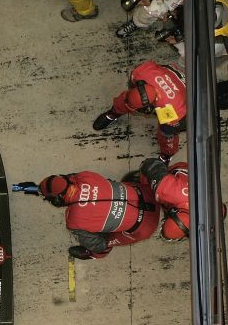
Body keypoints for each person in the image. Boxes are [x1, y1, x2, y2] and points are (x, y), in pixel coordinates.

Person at [16, 171, 160, 259]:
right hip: (148, 193)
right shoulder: (85, 176)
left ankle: (95, 255)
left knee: (100, 242)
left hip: (145, 226)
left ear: (56, 200)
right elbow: (72, 177)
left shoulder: (74, 220)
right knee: (112, 185)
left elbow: (97, 243)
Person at [91, 60, 186, 162]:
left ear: (148, 110)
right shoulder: (140, 72)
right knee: (124, 99)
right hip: (170, 74)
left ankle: (166, 155)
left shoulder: (174, 112)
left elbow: (176, 126)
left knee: (167, 135)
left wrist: (167, 127)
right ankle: (113, 114)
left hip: (183, 91)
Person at [139, 157, 191, 241]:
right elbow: (150, 164)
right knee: (146, 184)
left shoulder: (215, 216)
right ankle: (165, 156)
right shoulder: (168, 190)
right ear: (173, 211)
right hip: (175, 178)